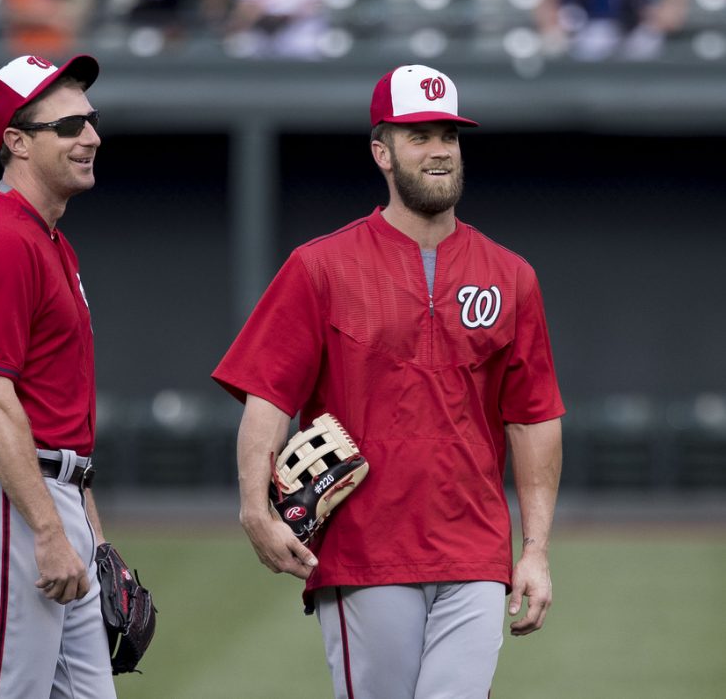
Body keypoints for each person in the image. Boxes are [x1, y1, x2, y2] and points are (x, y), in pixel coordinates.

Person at [212, 64, 565, 699]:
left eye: (449, 136)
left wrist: (535, 550)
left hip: (475, 550)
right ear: (382, 151)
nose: (438, 150)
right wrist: (253, 508)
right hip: (364, 552)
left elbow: (533, 417)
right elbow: (268, 395)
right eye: (418, 135)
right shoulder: (318, 267)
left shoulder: (512, 276)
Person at [0, 53, 117, 698]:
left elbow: (54, 410)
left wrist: (89, 531)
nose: (91, 137)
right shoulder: (2, 241)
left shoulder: (46, 239)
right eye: (67, 126)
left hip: (46, 487)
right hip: (8, 496)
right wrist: (46, 527)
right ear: (16, 141)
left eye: (91, 121)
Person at [535, 0, 690, 61]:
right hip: (581, 30)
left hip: (638, 30)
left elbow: (673, 11)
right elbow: (546, 7)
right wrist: (550, 17)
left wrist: (669, 10)